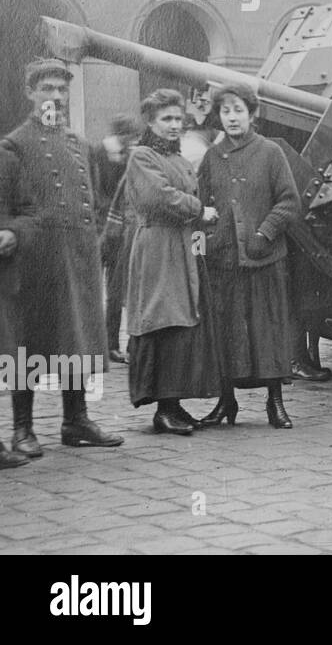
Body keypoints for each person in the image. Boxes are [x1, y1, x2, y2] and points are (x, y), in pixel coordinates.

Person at [2, 60, 122, 453]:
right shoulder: (14, 145)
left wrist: (94, 238)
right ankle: (23, 428)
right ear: (31, 94)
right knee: (28, 342)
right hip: (35, 260)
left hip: (79, 257)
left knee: (77, 339)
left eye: (61, 89)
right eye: (47, 88)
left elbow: (100, 198)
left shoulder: (79, 143)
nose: (55, 96)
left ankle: (76, 420)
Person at [197, 82, 302, 429]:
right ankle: (227, 403)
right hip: (224, 261)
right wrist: (206, 244)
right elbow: (200, 205)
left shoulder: (271, 152)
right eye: (225, 111)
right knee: (226, 333)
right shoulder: (212, 157)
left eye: (238, 110)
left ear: (252, 114)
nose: (231, 117)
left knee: (267, 331)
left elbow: (289, 202)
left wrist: (265, 233)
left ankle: (276, 403)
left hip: (264, 259)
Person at [122, 90, 223, 435]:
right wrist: (199, 211)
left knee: (182, 322)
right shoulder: (142, 156)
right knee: (163, 319)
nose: (174, 125)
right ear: (150, 122)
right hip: (157, 247)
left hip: (183, 246)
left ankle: (173, 405)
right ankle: (163, 410)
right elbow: (158, 197)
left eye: (178, 119)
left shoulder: (180, 160)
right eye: (166, 119)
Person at [92, 113, 141, 364]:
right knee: (94, 288)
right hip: (100, 228)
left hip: (119, 231)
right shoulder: (99, 152)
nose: (130, 141)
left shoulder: (130, 156)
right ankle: (98, 345)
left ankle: (111, 344)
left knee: (116, 289)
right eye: (128, 136)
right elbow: (94, 191)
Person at [0, 146, 37, 468]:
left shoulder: (7, 160)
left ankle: (12, 435)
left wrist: (13, 232)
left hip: (3, 276)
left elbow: (28, 211)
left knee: (10, 353)